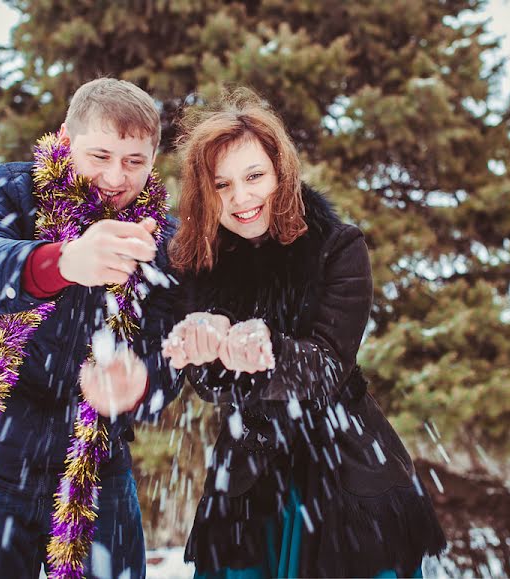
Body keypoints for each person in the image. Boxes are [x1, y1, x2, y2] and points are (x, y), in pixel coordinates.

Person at [162, 89, 446, 578]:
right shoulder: (202, 261)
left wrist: (265, 349)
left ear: (281, 172)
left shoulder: (338, 247)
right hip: (248, 488)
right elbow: (210, 387)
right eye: (222, 185)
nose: (241, 197)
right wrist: (204, 345)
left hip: (343, 474)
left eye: (254, 177)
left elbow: (328, 365)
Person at [0, 78, 180, 579]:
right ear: (65, 140)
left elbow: (170, 350)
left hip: (96, 473)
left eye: (134, 161)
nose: (116, 177)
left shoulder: (161, 240)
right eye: (100, 155)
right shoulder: (13, 191)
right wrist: (62, 262)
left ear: (153, 160)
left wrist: (143, 381)